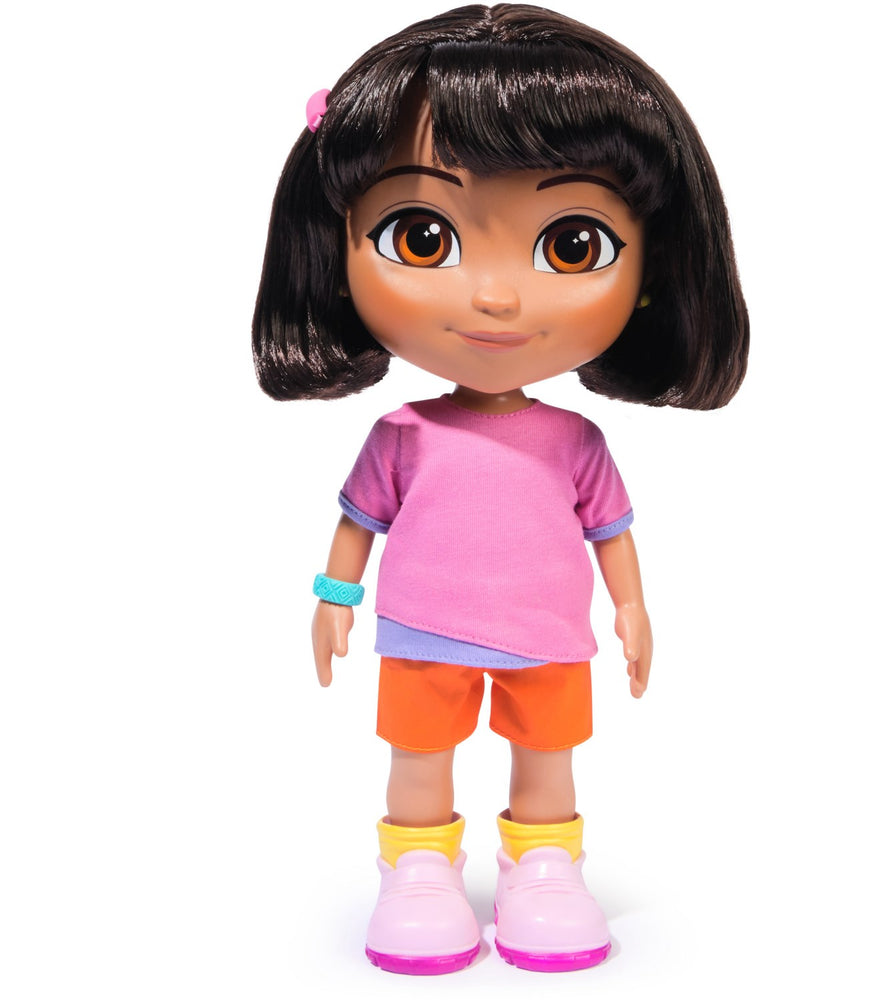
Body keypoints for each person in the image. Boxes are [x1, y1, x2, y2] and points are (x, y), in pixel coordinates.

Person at [252, 3, 748, 975]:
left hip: (548, 631)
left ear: (651, 267)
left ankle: (545, 863)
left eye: (572, 245)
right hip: (422, 627)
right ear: (336, 249)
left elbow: (609, 530)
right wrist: (332, 599)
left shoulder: (575, 441)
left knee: (547, 756)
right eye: (421, 237)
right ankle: (418, 866)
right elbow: (358, 524)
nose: (494, 296)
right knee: (418, 756)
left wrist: (633, 609)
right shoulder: (402, 435)